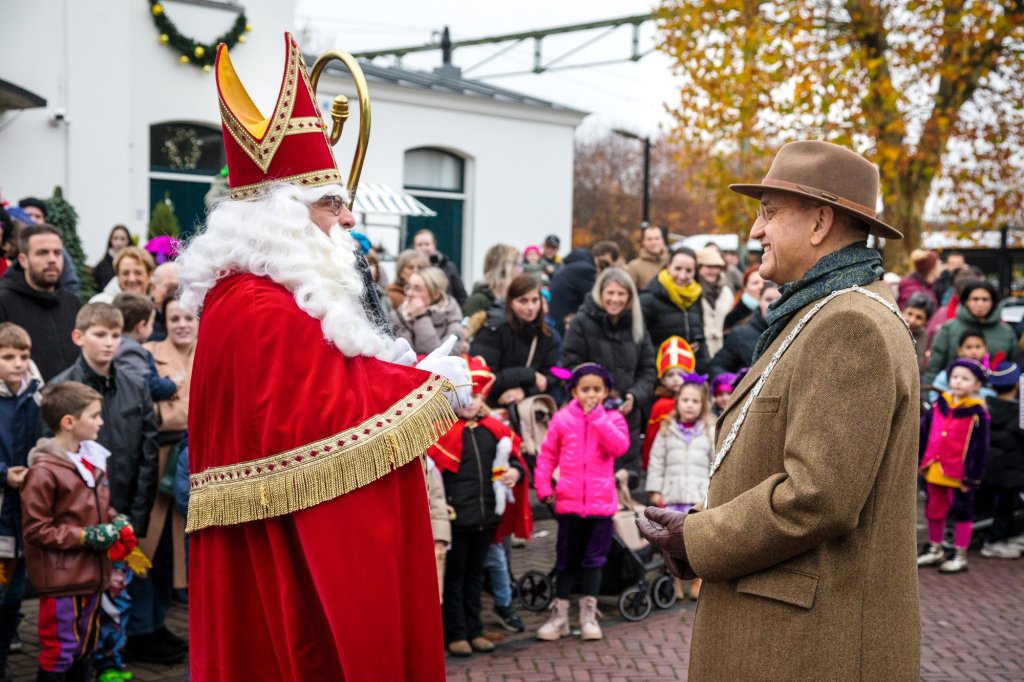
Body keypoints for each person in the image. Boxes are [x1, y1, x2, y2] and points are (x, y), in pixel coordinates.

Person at [176, 33, 470, 681]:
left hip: (274, 542)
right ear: (281, 215)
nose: (345, 216)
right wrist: (424, 388)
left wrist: (407, 375)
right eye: (330, 203)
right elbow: (321, 416)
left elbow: (324, 385)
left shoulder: (256, 293)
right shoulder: (255, 305)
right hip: (285, 564)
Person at [636, 140, 921, 679]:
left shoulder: (847, 324)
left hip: (806, 645)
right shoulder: (826, 311)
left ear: (819, 223)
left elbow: (817, 497)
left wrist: (698, 539)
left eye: (768, 212)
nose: (754, 231)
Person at [50, 303, 162, 671]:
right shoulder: (61, 391)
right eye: (100, 334)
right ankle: (78, 667)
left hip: (122, 513)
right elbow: (51, 464)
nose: (109, 342)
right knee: (76, 608)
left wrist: (136, 518)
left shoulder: (136, 385)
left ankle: (110, 665)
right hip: (77, 522)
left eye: (115, 334)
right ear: (79, 337)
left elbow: (147, 454)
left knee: (117, 596)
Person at [21, 382, 136, 682]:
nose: (101, 421)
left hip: (93, 575)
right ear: (69, 422)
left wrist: (116, 520)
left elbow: (97, 508)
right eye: (95, 415)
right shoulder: (44, 471)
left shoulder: (92, 459)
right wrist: (87, 536)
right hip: (62, 580)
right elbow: (36, 529)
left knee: (84, 645)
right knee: (60, 650)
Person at [425, 356, 530, 657]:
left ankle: (475, 629)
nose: (470, 403)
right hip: (457, 519)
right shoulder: (443, 431)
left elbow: (512, 462)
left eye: (476, 396)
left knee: (474, 578)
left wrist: (515, 473)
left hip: (486, 517)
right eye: (465, 397)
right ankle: (455, 632)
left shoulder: (493, 431)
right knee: (454, 580)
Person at [534, 363, 630, 642]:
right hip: (569, 503)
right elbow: (547, 455)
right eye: (585, 389)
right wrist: (543, 486)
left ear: (606, 392)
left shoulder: (612, 418)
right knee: (566, 561)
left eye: (597, 390)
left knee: (593, 562)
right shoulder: (562, 419)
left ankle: (588, 616)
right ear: (574, 390)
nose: (591, 395)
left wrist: (598, 417)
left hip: (600, 506)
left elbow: (619, 447)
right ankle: (560, 616)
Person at [130, 294, 196, 662]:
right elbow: (158, 413)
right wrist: (181, 412)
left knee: (178, 554)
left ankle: (156, 624)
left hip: (197, 464)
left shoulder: (209, 350)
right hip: (158, 464)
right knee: (148, 547)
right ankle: (140, 628)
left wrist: (174, 406)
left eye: (188, 316)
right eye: (174, 318)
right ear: (164, 322)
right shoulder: (150, 352)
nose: (182, 324)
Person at [562, 267, 656, 475]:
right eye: (610, 293)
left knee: (625, 478)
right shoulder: (582, 323)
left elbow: (648, 369)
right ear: (600, 294)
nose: (615, 299)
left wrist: (634, 395)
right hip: (590, 413)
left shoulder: (637, 325)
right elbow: (570, 365)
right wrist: (593, 395)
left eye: (621, 294)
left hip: (627, 415)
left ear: (629, 297)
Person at [917, 358, 990, 574]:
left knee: (962, 512)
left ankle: (960, 555)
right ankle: (935, 548)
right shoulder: (939, 404)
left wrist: (972, 477)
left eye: (966, 379)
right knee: (933, 511)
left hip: (959, 474)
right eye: (956, 377)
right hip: (934, 468)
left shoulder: (978, 413)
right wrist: (920, 460)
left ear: (977, 385)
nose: (958, 382)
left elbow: (980, 448)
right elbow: (924, 433)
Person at [646, 374, 715, 601]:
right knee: (672, 543)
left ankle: (698, 580)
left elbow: (715, 462)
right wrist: (655, 489)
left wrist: (713, 491)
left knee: (696, 542)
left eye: (695, 401)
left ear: (702, 404)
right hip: (673, 494)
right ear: (677, 402)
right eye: (685, 400)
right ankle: (675, 581)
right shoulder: (667, 429)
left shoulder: (709, 430)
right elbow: (657, 460)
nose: (689, 405)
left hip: (698, 496)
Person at [0, 323, 39, 679]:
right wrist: (3, 473)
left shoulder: (33, 397)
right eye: (8, 356)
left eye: (23, 356)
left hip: (20, 514)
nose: (17, 363)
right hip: (1, 511)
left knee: (13, 598)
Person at [0, 225, 80, 381]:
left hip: (74, 400)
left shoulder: (71, 302)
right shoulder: (4, 303)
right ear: (23, 260)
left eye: (57, 253)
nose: (52, 259)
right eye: (42, 253)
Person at [470, 274, 558, 409]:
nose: (531, 307)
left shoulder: (546, 335)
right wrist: (528, 374)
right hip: (490, 407)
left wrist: (524, 392)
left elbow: (552, 376)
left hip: (527, 410)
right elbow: (482, 377)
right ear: (511, 302)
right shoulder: (493, 331)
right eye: (523, 301)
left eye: (535, 300)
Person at [926, 280, 1017, 385]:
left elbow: (1013, 367)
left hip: (994, 396)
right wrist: (930, 393)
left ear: (993, 302)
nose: (980, 304)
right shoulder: (949, 328)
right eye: (975, 299)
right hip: (952, 395)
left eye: (985, 299)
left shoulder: (1006, 332)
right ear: (966, 301)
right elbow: (934, 367)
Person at [979, 361, 1024, 559]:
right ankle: (993, 542)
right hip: (1011, 472)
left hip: (988, 468)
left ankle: (1010, 534)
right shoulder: (1018, 412)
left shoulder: (986, 405)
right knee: (1007, 507)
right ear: (1017, 385)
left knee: (1002, 505)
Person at [640, 247, 710, 370]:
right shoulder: (649, 299)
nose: (682, 276)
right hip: (661, 373)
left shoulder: (695, 296)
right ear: (668, 267)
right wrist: (674, 353)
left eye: (689, 271)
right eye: (678, 269)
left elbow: (700, 340)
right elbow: (640, 342)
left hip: (692, 374)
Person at [642, 336, 696, 470]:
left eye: (680, 374)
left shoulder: (696, 402)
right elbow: (651, 439)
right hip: (666, 465)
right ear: (663, 380)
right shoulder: (660, 406)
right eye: (670, 375)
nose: (676, 379)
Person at [111, 293, 178, 402]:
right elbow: (148, 384)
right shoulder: (132, 351)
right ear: (141, 326)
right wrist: (172, 385)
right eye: (151, 323)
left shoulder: (113, 345)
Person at [708, 282, 781, 377]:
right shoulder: (740, 334)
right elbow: (716, 367)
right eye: (768, 299)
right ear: (759, 301)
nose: (773, 304)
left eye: (779, 300)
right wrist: (732, 383)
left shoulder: (794, 329)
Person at [548, 241, 620, 336]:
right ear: (599, 257)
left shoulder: (575, 265)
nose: (605, 269)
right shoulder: (587, 270)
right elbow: (595, 300)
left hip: (557, 319)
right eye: (605, 264)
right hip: (565, 324)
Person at [390, 266, 464, 355]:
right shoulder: (398, 315)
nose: (409, 293)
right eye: (408, 287)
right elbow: (404, 357)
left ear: (435, 294)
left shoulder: (451, 315)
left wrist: (421, 317)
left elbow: (442, 356)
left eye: (417, 289)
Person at [16, 198, 81, 296]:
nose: (33, 219)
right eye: (28, 215)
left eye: (38, 216)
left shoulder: (58, 247)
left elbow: (70, 283)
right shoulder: (8, 246)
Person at [462, 244, 520, 320]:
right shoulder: (479, 300)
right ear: (504, 270)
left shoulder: (513, 298)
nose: (520, 270)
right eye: (518, 265)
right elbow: (465, 329)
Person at [412, 229, 468, 306]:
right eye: (419, 245)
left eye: (427, 244)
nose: (424, 248)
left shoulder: (448, 267)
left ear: (434, 245)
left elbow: (461, 295)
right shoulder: (411, 268)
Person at [696, 246, 734, 357]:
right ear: (699, 267)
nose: (713, 271)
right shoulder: (693, 291)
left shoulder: (726, 291)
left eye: (716, 267)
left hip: (723, 350)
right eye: (708, 267)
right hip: (700, 352)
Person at [625, 225, 669, 291]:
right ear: (643, 242)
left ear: (662, 240)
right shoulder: (634, 266)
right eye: (649, 239)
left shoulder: (672, 262)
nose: (654, 242)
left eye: (657, 238)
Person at [902, 292, 935, 378]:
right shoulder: (893, 327)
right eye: (909, 314)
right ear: (903, 311)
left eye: (919, 317)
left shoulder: (923, 335)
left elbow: (919, 362)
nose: (912, 320)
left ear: (926, 321)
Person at [722, 266, 764, 332]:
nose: (761, 286)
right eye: (755, 283)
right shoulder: (733, 316)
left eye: (765, 283)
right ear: (745, 288)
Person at [147, 262, 180, 342]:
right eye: (171, 288)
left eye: (181, 289)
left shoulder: (193, 317)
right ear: (153, 287)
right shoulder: (144, 316)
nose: (176, 294)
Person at [93, 225, 133, 292]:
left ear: (128, 241)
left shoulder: (135, 264)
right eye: (115, 238)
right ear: (110, 241)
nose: (118, 243)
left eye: (122, 239)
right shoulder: (102, 266)